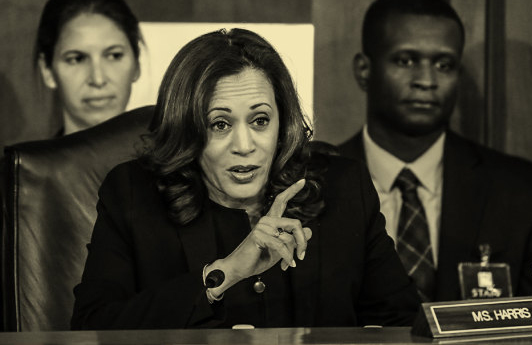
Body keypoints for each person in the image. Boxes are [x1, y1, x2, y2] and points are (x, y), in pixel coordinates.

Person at [71, 28, 421, 330]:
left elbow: (402, 321)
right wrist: (221, 275)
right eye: (220, 125)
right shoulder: (134, 195)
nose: (244, 146)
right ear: (188, 131)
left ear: (282, 125)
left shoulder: (343, 188)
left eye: (260, 121)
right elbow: (93, 327)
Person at [338, 0, 532, 302]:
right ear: (364, 70)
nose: (427, 80)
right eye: (405, 60)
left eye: (444, 65)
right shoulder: (313, 185)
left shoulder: (521, 192)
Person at [34, 0, 142, 136]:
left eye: (114, 56)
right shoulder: (22, 161)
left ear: (137, 62)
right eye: (76, 59)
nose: (97, 79)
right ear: (47, 70)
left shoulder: (178, 160)